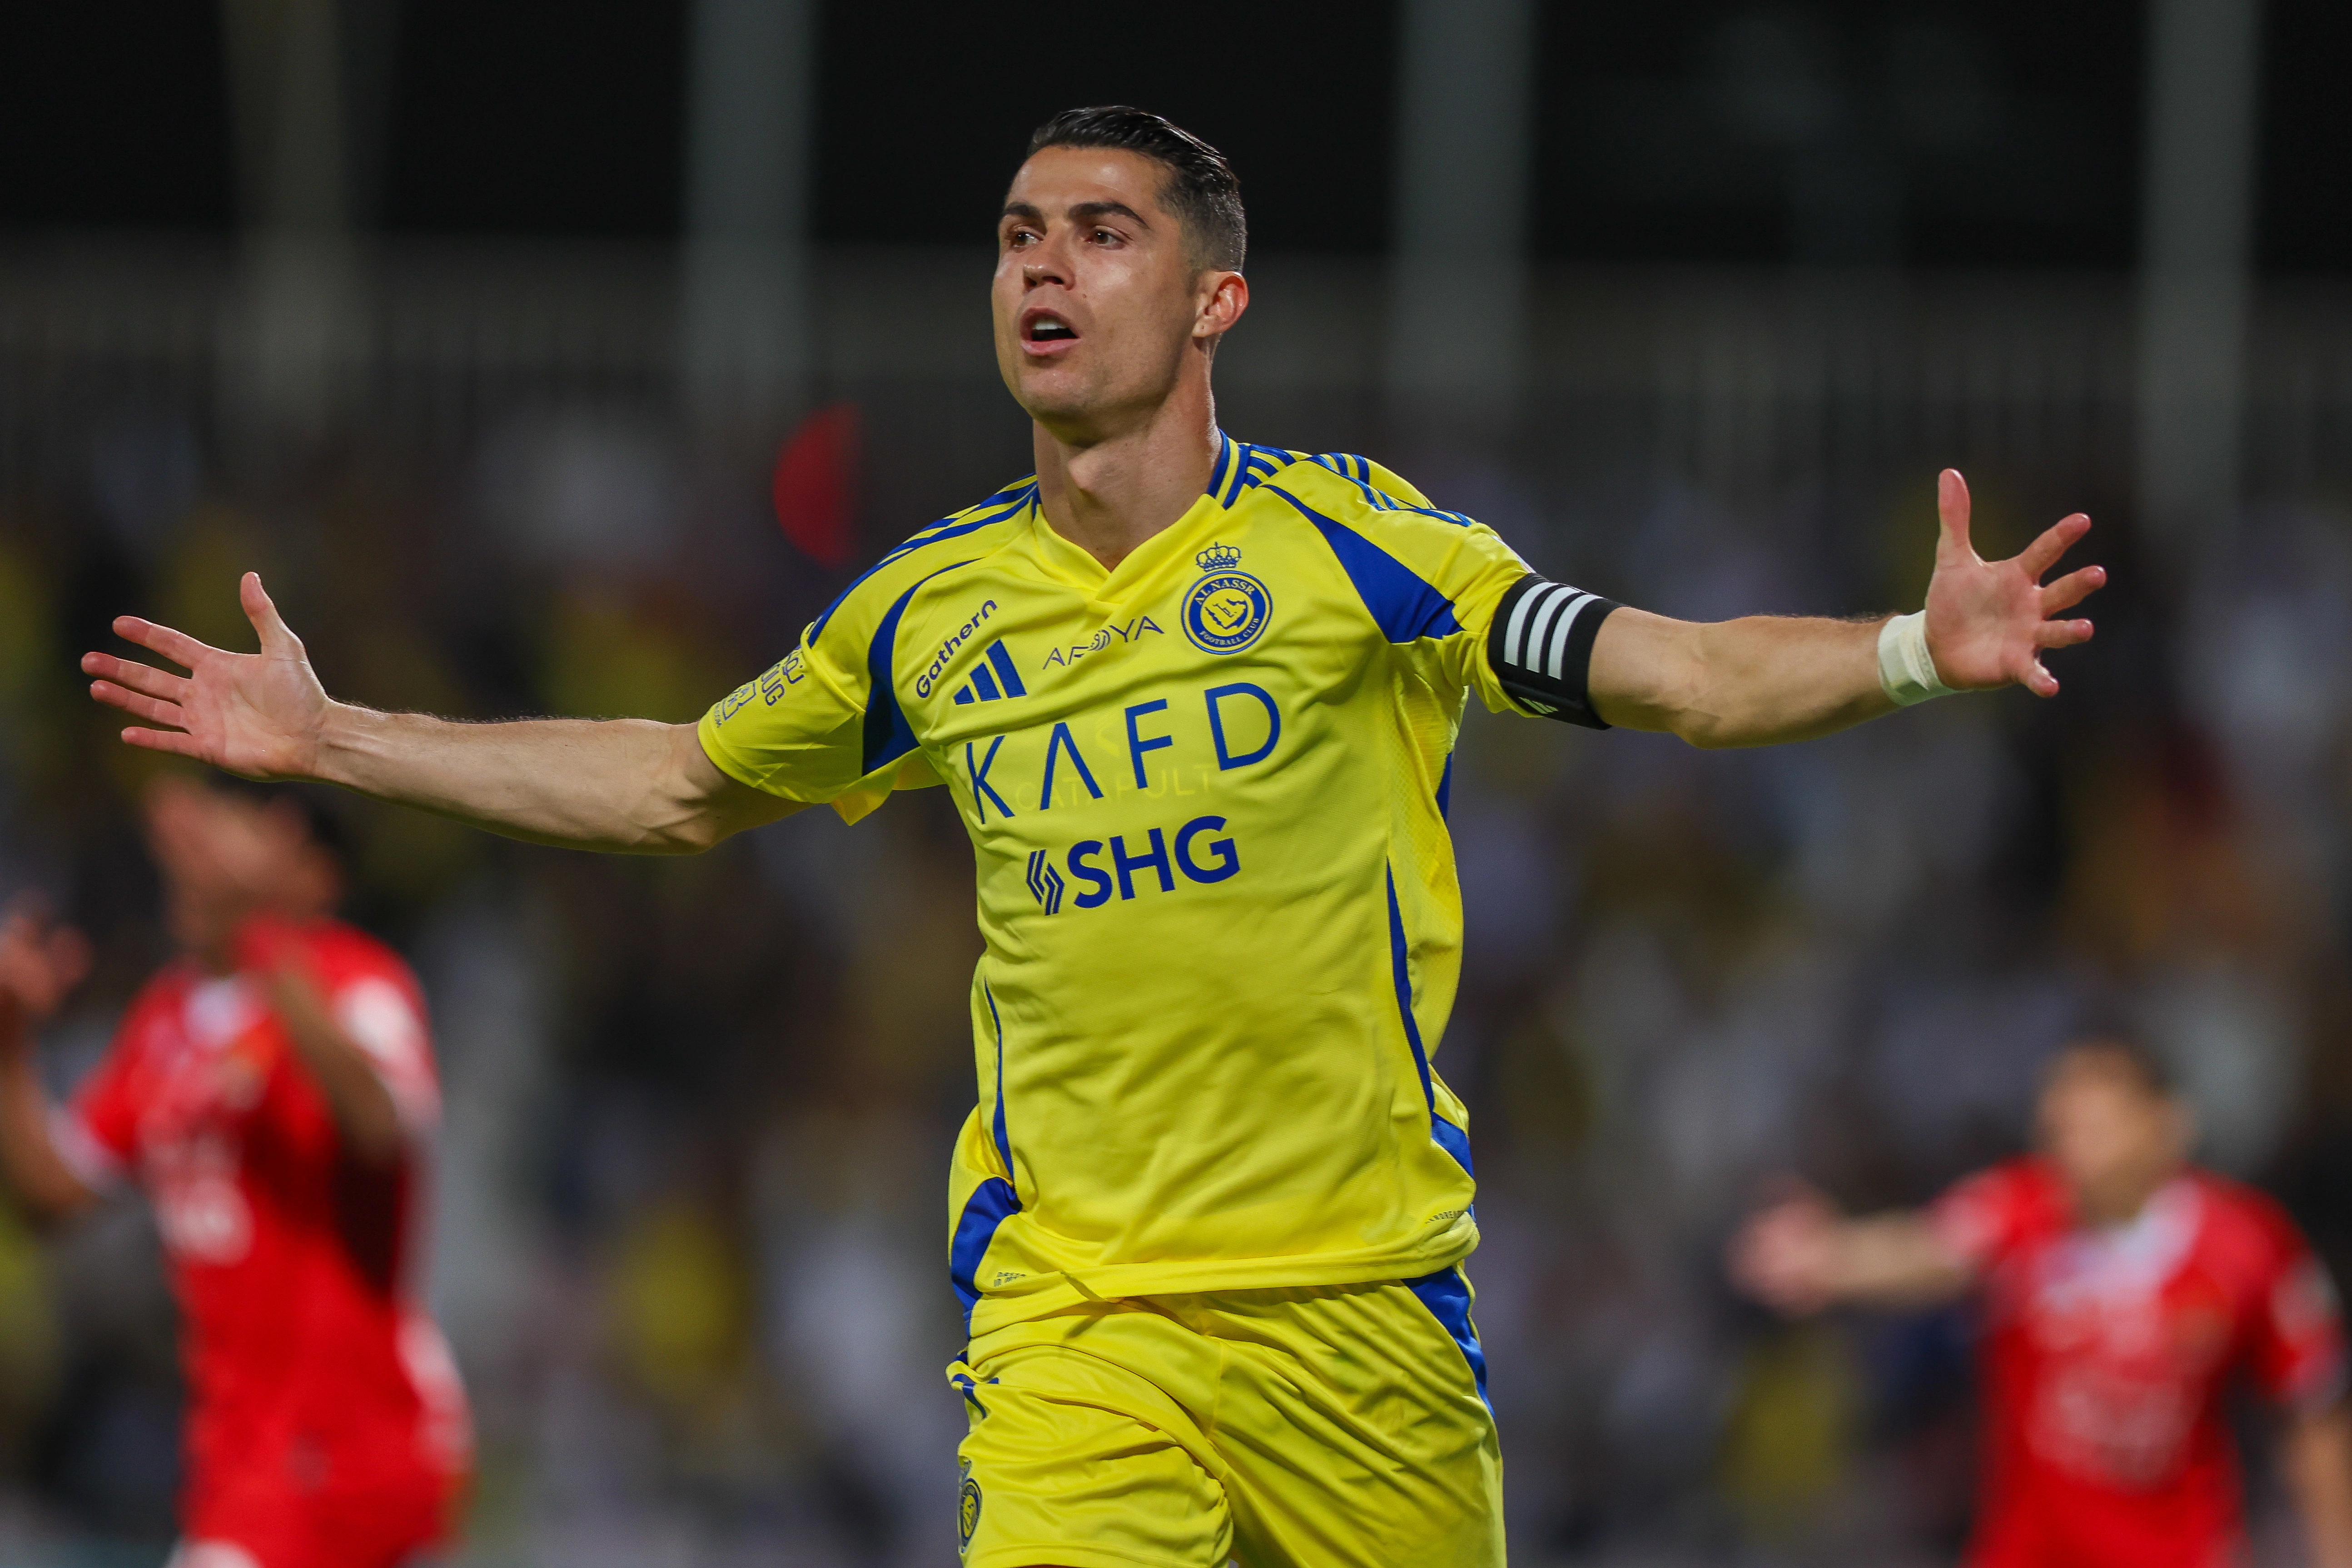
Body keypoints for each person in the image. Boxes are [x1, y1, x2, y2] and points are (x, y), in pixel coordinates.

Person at [79, 106, 2101, 1567]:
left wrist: (1916, 645)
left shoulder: (1359, 548)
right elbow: (683, 778)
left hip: (1362, 1304)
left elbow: (1668, 671)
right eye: (1017, 232)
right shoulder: (926, 607)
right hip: (1076, 1317)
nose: (1040, 265)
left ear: (1215, 297)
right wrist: (343, 739)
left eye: (1099, 233)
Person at [0, 777, 470, 1568]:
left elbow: (382, 1126)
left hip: (351, 1438)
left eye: (229, 823)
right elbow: (55, 1193)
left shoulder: (359, 984)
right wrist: (8, 1044)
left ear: (310, 874)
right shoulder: (165, 1020)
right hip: (241, 1452)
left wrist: (262, 936)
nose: (191, 845)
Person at [1730, 1036, 2352, 1568]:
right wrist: (1836, 1258)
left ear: (2166, 1125)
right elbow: (1929, 1249)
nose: (2074, 1144)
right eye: (2061, 1126)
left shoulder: (2247, 1246)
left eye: (2096, 1124)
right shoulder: (2021, 1211)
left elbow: (2310, 1411)